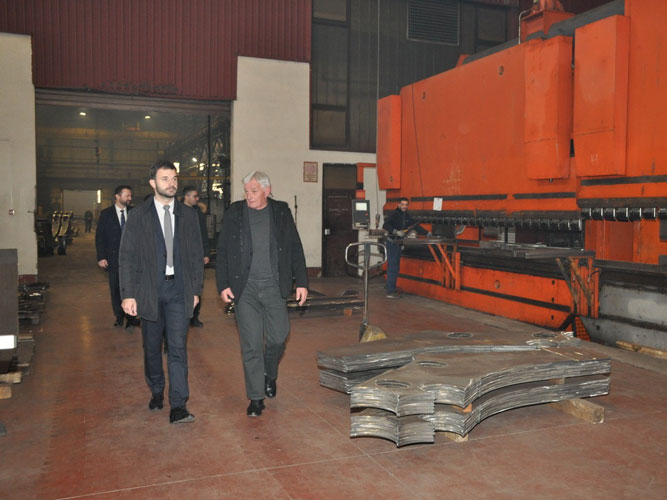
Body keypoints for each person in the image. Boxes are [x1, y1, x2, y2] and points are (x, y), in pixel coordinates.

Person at [216, 171, 308, 417]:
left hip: (274, 286)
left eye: (254, 191)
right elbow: (222, 249)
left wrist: (302, 281)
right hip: (244, 289)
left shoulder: (281, 211)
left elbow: (294, 246)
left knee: (278, 336)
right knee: (251, 344)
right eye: (246, 191)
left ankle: (270, 373)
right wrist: (223, 284)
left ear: (267, 191)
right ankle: (256, 397)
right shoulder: (235, 212)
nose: (249, 196)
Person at [119, 160, 204, 424]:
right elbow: (126, 256)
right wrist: (128, 294)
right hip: (149, 291)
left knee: (178, 348)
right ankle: (156, 390)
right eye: (165, 178)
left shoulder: (188, 215)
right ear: (153, 183)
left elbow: (196, 255)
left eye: (174, 178)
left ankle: (178, 406)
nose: (171, 183)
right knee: (152, 347)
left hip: (179, 290)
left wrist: (195, 290)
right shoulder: (138, 216)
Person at [95, 185, 140, 328]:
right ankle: (119, 316)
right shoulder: (106, 214)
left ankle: (131, 318)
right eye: (127, 196)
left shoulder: (134, 212)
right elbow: (100, 236)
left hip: (132, 259)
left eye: (130, 196)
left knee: (132, 288)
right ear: (117, 196)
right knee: (115, 289)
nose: (130, 198)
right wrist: (101, 257)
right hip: (113, 259)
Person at [382, 197, 429, 299]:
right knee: (393, 267)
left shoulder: (406, 216)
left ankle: (391, 287)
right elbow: (385, 225)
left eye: (406, 205)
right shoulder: (394, 214)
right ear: (399, 205)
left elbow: (415, 226)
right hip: (392, 244)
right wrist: (395, 231)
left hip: (398, 244)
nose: (404, 206)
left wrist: (428, 233)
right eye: (402, 204)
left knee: (395, 267)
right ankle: (390, 292)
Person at [182, 185, 211, 327]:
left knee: (197, 285)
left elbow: (203, 234)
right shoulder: (178, 212)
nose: (197, 198)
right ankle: (182, 315)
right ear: (186, 197)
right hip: (182, 255)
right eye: (194, 196)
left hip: (196, 255)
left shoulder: (198, 213)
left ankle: (194, 316)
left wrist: (206, 253)